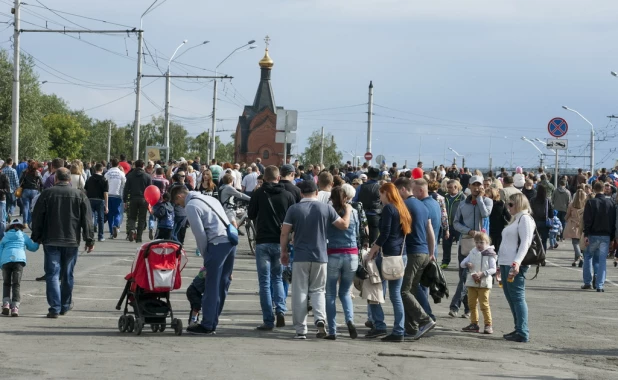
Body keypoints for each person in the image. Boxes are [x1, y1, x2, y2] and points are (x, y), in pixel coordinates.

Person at [280, 180, 351, 340]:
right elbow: (343, 225)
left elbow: (285, 232)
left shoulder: (294, 209)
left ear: (301, 193)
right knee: (319, 290)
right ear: (317, 193)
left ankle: (301, 329)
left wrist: (283, 251)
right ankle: (320, 319)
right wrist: (347, 210)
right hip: (320, 255)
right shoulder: (326, 208)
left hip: (300, 256)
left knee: (300, 291)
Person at [169, 186, 235, 335]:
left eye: (178, 203)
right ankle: (213, 321)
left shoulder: (191, 206)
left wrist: (206, 257)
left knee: (211, 285)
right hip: (230, 241)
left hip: (216, 243)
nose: (180, 206)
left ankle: (207, 325)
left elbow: (200, 235)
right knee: (223, 283)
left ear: (180, 196)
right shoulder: (210, 198)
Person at [31, 168, 94, 318]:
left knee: (52, 274)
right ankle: (64, 306)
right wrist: (89, 239)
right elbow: (87, 220)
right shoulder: (79, 195)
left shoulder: (47, 194)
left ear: (55, 179)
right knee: (67, 274)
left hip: (51, 239)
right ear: (69, 180)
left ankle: (54, 307)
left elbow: (37, 216)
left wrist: (36, 236)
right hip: (72, 240)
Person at [247, 166, 295, 331]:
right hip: (281, 241)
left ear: (265, 178)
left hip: (263, 241)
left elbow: (251, 214)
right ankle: (280, 309)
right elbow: (293, 218)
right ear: (279, 177)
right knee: (278, 278)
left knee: (264, 282)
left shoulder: (259, 193)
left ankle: (268, 320)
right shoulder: (288, 195)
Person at [392, 178, 436, 340]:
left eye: (397, 191)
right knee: (410, 290)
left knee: (403, 290)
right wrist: (431, 252)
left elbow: (398, 231)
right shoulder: (422, 205)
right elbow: (429, 229)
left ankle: (424, 319)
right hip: (424, 251)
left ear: (403, 189)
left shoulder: (405, 205)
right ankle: (411, 328)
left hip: (412, 252)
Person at [450, 175, 492, 319]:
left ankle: (455, 306)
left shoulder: (487, 201)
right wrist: (468, 231)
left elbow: (485, 214)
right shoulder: (462, 204)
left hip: (482, 247)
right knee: (463, 276)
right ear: (469, 186)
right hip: (466, 243)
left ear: (483, 187)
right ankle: (467, 308)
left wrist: (479, 199)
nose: (476, 188)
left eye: (478, 185)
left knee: (470, 277)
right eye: (473, 185)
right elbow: (456, 223)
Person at [324, 185, 361, 340]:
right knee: (345, 292)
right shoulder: (354, 212)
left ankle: (332, 330)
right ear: (346, 197)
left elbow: (325, 231)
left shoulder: (328, 212)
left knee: (330, 293)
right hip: (351, 254)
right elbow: (358, 232)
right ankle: (350, 320)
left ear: (332, 198)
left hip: (333, 253)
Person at [499, 193, 535, 342]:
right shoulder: (516, 219)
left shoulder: (525, 219)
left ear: (519, 204)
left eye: (511, 204)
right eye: (508, 204)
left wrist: (517, 262)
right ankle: (518, 328)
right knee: (511, 297)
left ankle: (522, 331)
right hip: (506, 262)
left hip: (514, 263)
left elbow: (526, 243)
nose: (508, 207)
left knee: (518, 297)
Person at [581, 181, 616, 292]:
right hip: (605, 235)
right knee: (602, 261)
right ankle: (600, 285)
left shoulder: (590, 202)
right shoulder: (611, 203)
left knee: (588, 257)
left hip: (592, 234)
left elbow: (587, 220)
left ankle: (587, 282)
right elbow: (613, 222)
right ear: (604, 189)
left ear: (594, 189)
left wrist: (586, 234)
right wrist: (612, 238)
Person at [1, 218, 39, 317]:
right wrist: (38, 242)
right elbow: (33, 247)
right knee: (16, 284)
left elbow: (0, 250)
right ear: (21, 227)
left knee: (6, 283)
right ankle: (15, 307)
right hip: (19, 261)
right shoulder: (23, 236)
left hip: (6, 260)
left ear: (10, 227)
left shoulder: (5, 236)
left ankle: (6, 304)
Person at [460, 232, 496, 334]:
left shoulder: (490, 254)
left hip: (484, 284)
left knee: (484, 304)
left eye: (481, 242)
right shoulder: (473, 252)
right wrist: (467, 263)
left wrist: (483, 273)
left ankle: (488, 324)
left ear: (487, 243)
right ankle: (474, 324)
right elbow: (462, 264)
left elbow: (493, 269)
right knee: (471, 304)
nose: (479, 245)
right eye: (476, 242)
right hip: (472, 282)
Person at [123, 160, 152, 243]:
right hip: (144, 199)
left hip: (133, 199)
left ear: (135, 165)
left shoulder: (130, 175)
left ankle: (132, 229)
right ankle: (139, 237)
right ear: (143, 165)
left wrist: (125, 200)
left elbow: (126, 189)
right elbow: (150, 190)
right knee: (142, 219)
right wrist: (149, 202)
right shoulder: (147, 176)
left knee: (132, 217)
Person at [353, 167, 382, 245]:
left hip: (362, 215)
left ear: (368, 177)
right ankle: (372, 255)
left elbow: (355, 201)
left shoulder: (360, 187)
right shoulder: (380, 188)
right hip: (376, 215)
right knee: (374, 240)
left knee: (362, 239)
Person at [442, 180, 465, 269]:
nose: (448, 189)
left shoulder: (462, 197)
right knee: (446, 245)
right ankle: (445, 261)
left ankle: (461, 263)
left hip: (459, 225)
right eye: (448, 187)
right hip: (448, 225)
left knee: (460, 246)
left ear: (456, 187)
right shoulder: (446, 197)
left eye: (450, 187)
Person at [84, 163, 109, 242]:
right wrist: (106, 205)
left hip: (90, 199)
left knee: (90, 218)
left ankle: (90, 235)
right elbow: (105, 193)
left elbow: (85, 190)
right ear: (102, 170)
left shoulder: (90, 179)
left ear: (94, 169)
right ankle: (100, 236)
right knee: (100, 219)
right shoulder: (104, 179)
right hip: (100, 200)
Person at [564, 189, 587, 267]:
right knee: (580, 244)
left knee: (575, 243)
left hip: (573, 225)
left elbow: (567, 215)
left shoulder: (572, 204)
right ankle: (576, 260)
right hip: (582, 225)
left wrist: (565, 219)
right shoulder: (585, 204)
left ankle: (580, 258)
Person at [104, 159, 126, 239]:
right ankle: (116, 225)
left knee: (110, 214)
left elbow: (104, 182)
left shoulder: (108, 173)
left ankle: (111, 232)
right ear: (118, 164)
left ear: (111, 164)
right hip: (118, 195)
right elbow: (124, 183)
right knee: (117, 212)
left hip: (109, 195)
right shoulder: (121, 173)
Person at [485, 188, 510, 253]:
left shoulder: (486, 204)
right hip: (499, 227)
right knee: (497, 247)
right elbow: (508, 215)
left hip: (489, 227)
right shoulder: (501, 203)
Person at [529, 184, 553, 252]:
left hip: (535, 222)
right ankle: (543, 254)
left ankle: (536, 254)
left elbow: (530, 211)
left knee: (535, 240)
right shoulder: (547, 200)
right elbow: (551, 211)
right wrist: (551, 219)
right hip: (545, 222)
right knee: (544, 241)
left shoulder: (533, 200)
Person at [19, 161, 42, 230]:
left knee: (25, 206)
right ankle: (31, 221)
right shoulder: (37, 172)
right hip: (35, 190)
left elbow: (20, 181)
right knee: (33, 207)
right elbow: (41, 181)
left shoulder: (24, 172)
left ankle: (25, 222)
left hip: (25, 190)